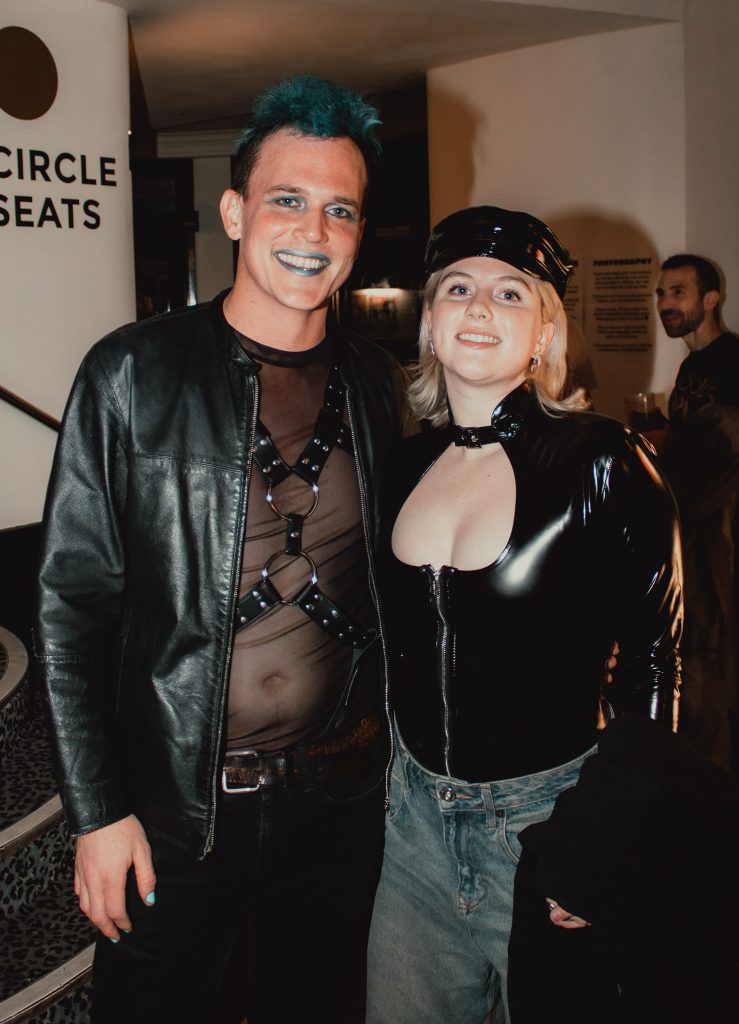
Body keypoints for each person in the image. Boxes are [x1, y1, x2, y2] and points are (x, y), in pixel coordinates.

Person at [34, 75, 410, 1024]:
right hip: (175, 813)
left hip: (340, 804)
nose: (313, 231)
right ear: (235, 210)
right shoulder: (130, 374)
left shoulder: (376, 385)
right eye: (288, 199)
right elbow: (72, 608)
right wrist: (97, 812)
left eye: (340, 210)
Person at [365, 206, 682, 1023]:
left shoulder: (603, 459)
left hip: (544, 832)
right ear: (430, 324)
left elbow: (658, 659)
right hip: (411, 831)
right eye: (458, 288)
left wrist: (599, 838)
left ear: (544, 333)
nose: (478, 307)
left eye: (511, 294)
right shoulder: (397, 466)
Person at [654, 254, 739, 770]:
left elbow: (723, 450)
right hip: (691, 524)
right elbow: (690, 439)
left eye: (677, 293)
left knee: (719, 644)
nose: (665, 304)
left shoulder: (733, 361)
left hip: (719, 531)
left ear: (710, 299)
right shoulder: (690, 367)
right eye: (661, 294)